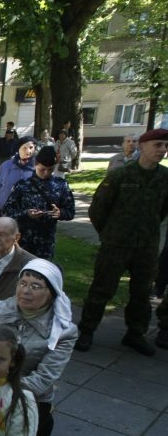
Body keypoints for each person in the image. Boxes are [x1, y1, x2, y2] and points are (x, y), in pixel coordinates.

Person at [0, 259, 77, 436]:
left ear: (51, 293)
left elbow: (44, 379)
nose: (26, 290)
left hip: (28, 392)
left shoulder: (64, 331)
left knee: (41, 423)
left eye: (35, 286)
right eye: (23, 283)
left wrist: (2, 389)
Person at [76, 127, 168, 357]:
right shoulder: (121, 176)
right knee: (101, 289)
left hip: (146, 246)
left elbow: (163, 211)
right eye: (158, 145)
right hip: (116, 244)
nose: (163, 150)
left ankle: (135, 333)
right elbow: (98, 208)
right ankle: (86, 330)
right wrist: (109, 233)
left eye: (166, 146)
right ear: (143, 146)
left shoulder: (165, 178)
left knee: (142, 292)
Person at [3, 145, 75, 259]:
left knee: (41, 273)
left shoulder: (61, 185)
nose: (46, 173)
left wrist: (60, 213)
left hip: (46, 241)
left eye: (50, 170)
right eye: (42, 169)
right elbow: (8, 210)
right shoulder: (23, 184)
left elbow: (70, 211)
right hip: (23, 239)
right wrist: (26, 214)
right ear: (36, 164)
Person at [0, 136, 36, 210]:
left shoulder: (37, 168)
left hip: (25, 212)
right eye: (24, 148)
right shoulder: (6, 166)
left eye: (31, 147)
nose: (28, 151)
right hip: (2, 208)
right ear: (18, 149)